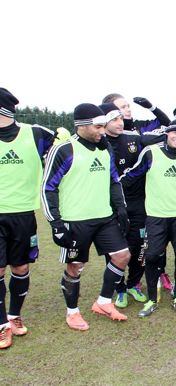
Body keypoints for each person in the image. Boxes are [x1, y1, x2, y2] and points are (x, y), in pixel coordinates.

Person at [42, 103, 131, 330]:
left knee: (122, 256)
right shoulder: (64, 150)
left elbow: (114, 180)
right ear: (81, 126)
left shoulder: (105, 148)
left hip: (105, 218)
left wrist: (121, 210)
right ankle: (72, 313)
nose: (103, 131)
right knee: (75, 267)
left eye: (104, 126)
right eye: (98, 126)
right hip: (75, 221)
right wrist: (56, 224)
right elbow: (48, 188)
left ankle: (103, 302)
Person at [121, 120, 176, 316]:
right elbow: (132, 175)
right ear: (167, 133)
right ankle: (152, 299)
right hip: (155, 216)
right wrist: (113, 188)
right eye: (175, 133)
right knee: (151, 256)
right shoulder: (151, 152)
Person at [0, 88, 54, 348]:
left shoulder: (37, 134)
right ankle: (1, 324)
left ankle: (14, 316)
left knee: (20, 268)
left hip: (23, 214)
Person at [98, 103, 149, 308]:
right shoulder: (97, 143)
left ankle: (134, 284)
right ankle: (119, 289)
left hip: (139, 204)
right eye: (114, 119)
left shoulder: (134, 138)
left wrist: (152, 108)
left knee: (140, 246)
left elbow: (167, 129)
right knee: (116, 249)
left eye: (121, 118)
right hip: (110, 205)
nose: (120, 123)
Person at [101, 93, 170, 134]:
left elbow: (167, 124)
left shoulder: (139, 125)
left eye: (128, 106)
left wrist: (152, 108)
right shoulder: (102, 131)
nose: (128, 110)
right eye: (123, 107)